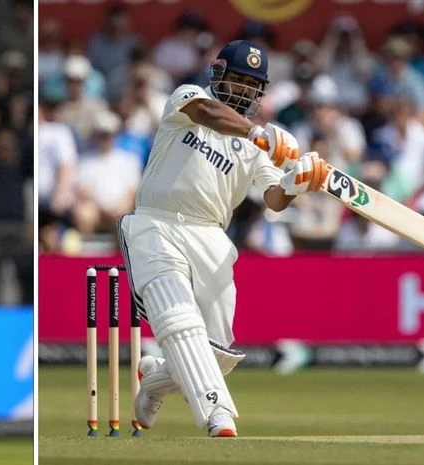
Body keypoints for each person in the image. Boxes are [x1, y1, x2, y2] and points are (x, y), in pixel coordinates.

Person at [118, 40, 328, 437]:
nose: (244, 91)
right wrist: (260, 132)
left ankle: (155, 381)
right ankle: (219, 415)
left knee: (218, 353)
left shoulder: (254, 148)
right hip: (156, 225)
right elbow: (208, 113)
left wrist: (298, 182)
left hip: (211, 239)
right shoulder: (189, 98)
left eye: (252, 86)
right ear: (218, 76)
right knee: (178, 322)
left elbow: (274, 198)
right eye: (237, 80)